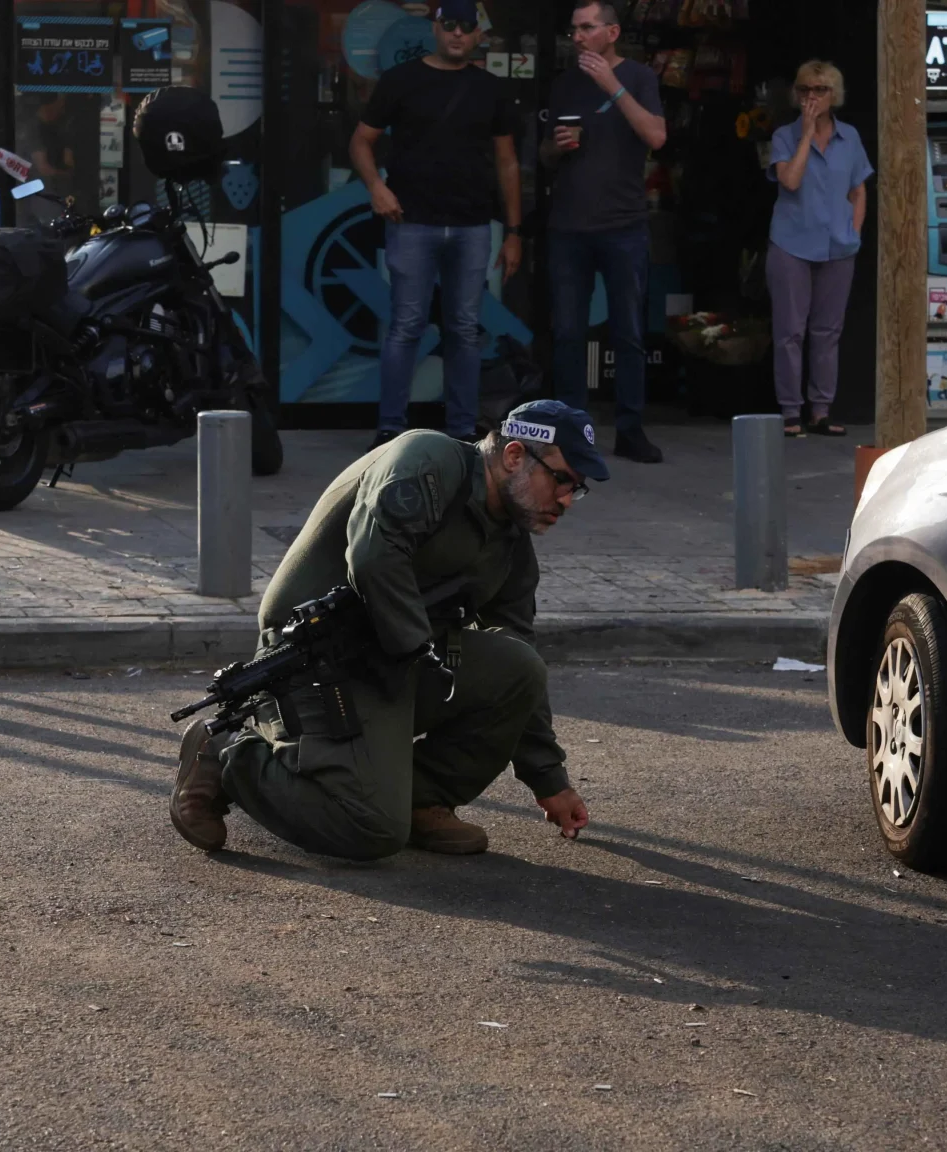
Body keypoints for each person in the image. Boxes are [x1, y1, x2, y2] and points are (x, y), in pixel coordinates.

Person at [168, 400, 607, 860]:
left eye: (577, 489)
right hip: (314, 664)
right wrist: (421, 658)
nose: (566, 500)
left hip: (393, 660)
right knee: (369, 828)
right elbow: (374, 558)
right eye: (562, 479)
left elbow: (518, 644)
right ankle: (226, 754)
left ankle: (421, 799)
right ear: (515, 456)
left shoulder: (510, 542)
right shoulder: (428, 460)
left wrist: (549, 779)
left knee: (518, 667)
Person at [350, 0, 523, 449]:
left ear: (478, 33)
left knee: (464, 329)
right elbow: (361, 142)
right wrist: (376, 187)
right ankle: (390, 429)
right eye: (450, 24)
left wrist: (514, 232)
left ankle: (462, 431)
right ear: (435, 28)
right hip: (412, 222)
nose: (458, 33)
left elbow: (507, 162)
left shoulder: (491, 88)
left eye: (467, 26)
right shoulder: (400, 80)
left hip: (471, 225)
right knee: (406, 326)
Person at [544, 1, 669, 464]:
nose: (578, 36)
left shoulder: (638, 77)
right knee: (568, 332)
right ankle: (573, 433)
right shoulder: (564, 84)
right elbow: (543, 155)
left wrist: (612, 87)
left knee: (628, 332)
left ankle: (630, 430)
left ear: (612, 32)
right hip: (569, 226)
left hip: (623, 225)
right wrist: (556, 148)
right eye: (574, 29)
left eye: (587, 28)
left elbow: (656, 136)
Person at [766, 60, 871, 438]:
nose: (811, 96)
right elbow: (791, 181)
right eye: (805, 89)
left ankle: (821, 410)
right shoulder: (784, 136)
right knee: (789, 332)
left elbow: (858, 190)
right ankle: (790, 411)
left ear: (834, 95)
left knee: (827, 332)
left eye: (820, 89)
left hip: (838, 246)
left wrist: (854, 231)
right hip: (791, 243)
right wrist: (807, 134)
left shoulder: (850, 137)